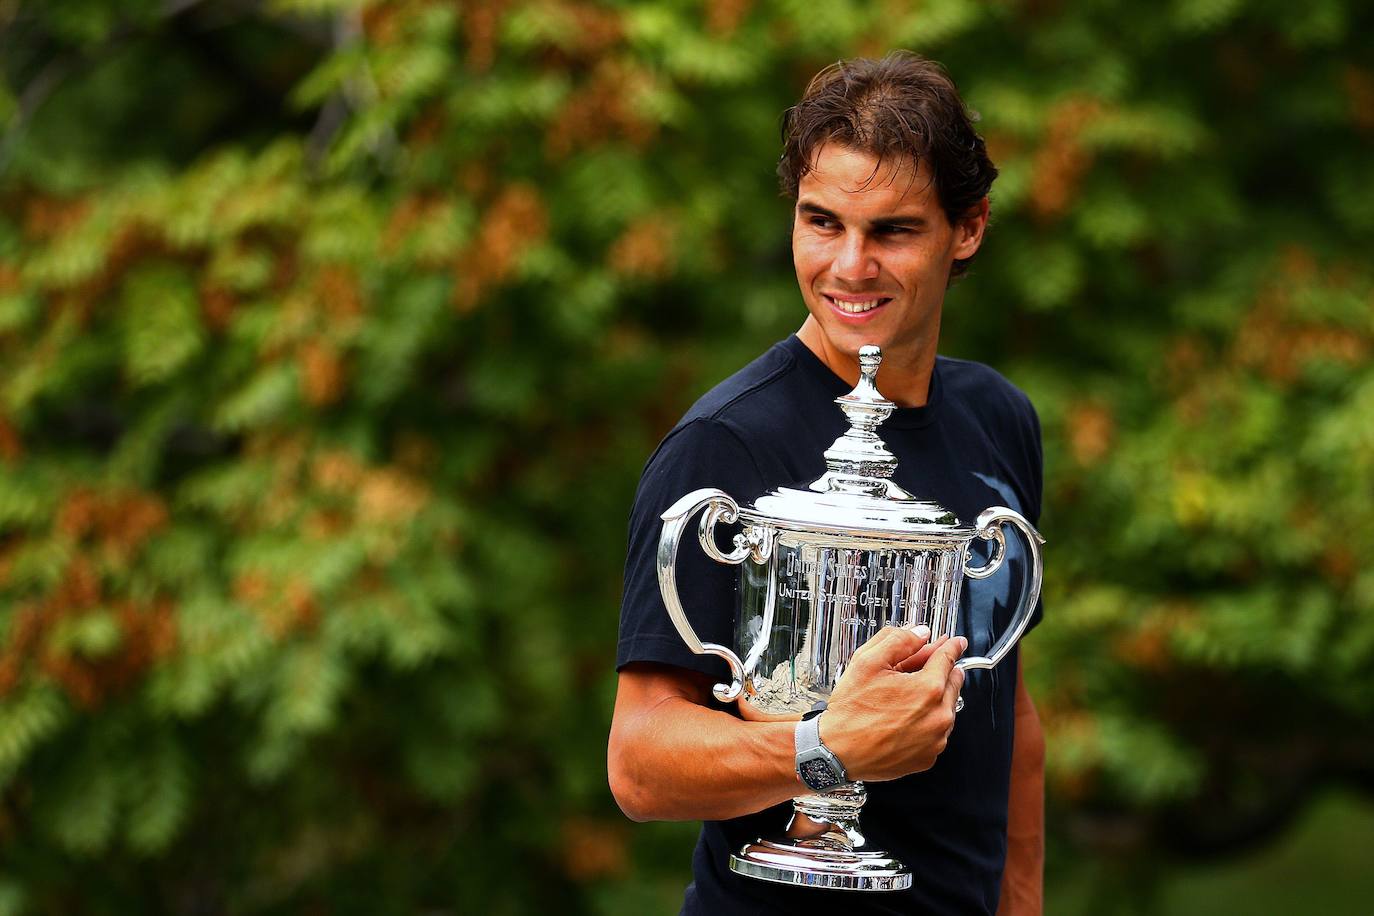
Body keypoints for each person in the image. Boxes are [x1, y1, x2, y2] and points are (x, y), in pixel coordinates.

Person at [608, 51, 1045, 915]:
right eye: (822, 222)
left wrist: (1022, 900)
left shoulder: (998, 418)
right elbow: (640, 762)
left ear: (970, 228)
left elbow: (1011, 718)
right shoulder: (723, 445)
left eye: (893, 230)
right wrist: (827, 745)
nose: (850, 266)